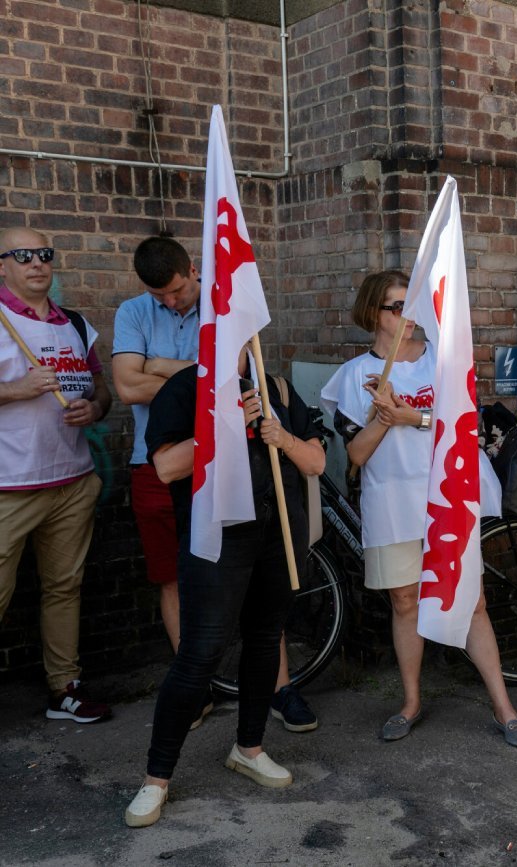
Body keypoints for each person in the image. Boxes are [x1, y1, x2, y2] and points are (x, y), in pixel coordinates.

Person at [319, 270, 517, 747]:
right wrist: (384, 415)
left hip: (449, 494)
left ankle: (504, 705)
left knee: (471, 600)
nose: (408, 316)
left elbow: (468, 425)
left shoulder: (442, 360)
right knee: (405, 601)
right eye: (397, 307)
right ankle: (411, 701)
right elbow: (355, 454)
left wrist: (411, 416)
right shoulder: (354, 375)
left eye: (411, 307)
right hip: (392, 499)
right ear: (375, 313)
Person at [116, 237, 316, 734]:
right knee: (174, 577)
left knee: (262, 579)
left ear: (193, 270)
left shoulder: (226, 307)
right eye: (157, 294)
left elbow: (242, 369)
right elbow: (126, 387)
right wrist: (201, 377)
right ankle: (198, 685)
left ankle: (278, 687)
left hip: (243, 465)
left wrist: (158, 366)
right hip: (162, 461)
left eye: (177, 290)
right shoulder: (133, 313)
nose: (169, 301)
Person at [123, 345, 325, 828]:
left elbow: (315, 461)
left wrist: (283, 438)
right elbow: (168, 466)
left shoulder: (274, 388)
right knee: (199, 654)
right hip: (216, 541)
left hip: (278, 536)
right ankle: (156, 779)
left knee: (263, 642)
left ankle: (249, 748)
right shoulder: (184, 389)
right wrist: (226, 425)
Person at [0, 227, 113, 724]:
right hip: (9, 486)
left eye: (44, 254)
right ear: (3, 265)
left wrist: (94, 408)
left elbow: (102, 391)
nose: (36, 263)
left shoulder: (77, 324)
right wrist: (16, 389)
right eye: (23, 255)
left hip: (72, 480)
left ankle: (64, 688)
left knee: (64, 589)